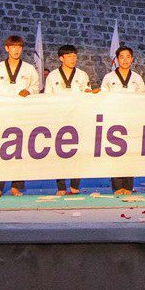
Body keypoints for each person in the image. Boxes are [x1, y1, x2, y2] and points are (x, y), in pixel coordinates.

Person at [0, 35, 42, 198]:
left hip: (21, 114)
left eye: (19, 47)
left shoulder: (29, 68)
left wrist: (29, 91)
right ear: (7, 48)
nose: (16, 50)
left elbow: (37, 86)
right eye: (13, 46)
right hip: (1, 114)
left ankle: (16, 186)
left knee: (18, 151)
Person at [44, 45, 92, 195]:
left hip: (78, 118)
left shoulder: (82, 75)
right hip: (58, 118)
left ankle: (75, 185)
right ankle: (61, 187)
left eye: (74, 56)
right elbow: (47, 98)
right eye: (69, 56)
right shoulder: (52, 76)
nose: (73, 59)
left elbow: (87, 94)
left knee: (77, 153)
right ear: (61, 58)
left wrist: (90, 93)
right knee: (59, 153)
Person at [101, 46, 145, 195]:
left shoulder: (137, 78)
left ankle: (128, 186)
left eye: (128, 57)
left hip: (132, 120)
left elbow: (144, 98)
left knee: (130, 153)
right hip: (114, 120)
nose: (125, 60)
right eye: (122, 57)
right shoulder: (109, 78)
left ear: (132, 59)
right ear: (117, 59)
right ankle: (117, 186)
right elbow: (103, 97)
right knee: (115, 153)